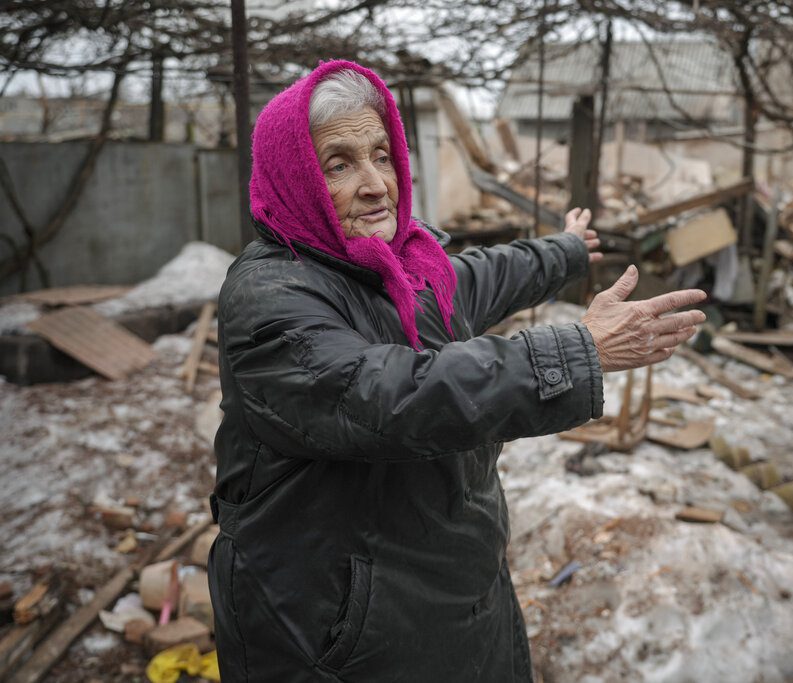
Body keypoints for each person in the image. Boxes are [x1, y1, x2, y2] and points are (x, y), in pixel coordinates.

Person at [208, 59, 706, 682]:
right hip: (337, 634)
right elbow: (387, 397)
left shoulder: (399, 268)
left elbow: (482, 276)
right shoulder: (272, 298)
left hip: (447, 596)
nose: (375, 184)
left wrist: (566, 251)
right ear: (293, 178)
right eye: (339, 164)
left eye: (382, 156)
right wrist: (580, 350)